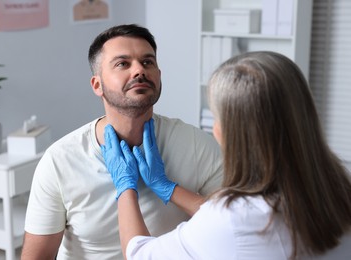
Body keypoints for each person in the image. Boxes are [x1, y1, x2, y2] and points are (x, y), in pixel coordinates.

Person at [102, 51, 351, 259]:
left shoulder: (233, 219)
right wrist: (166, 187)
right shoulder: (339, 188)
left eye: (217, 116)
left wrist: (125, 188)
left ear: (231, 132)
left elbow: (140, 255)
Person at [21, 24, 222, 259]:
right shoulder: (60, 160)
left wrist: (168, 188)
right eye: (122, 64)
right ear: (97, 85)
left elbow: (233, 225)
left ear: (159, 75)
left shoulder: (196, 144)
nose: (139, 70)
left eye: (148, 62)